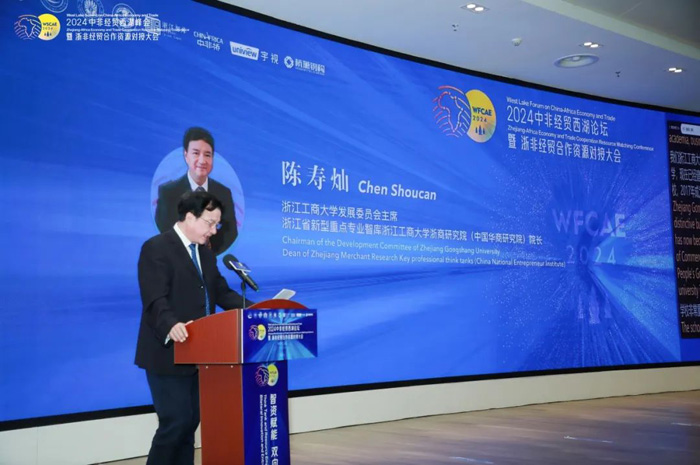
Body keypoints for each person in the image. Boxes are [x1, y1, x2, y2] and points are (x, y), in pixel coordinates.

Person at [135, 190, 246, 465]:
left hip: (198, 352)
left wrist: (256, 310)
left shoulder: (205, 255)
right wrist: (171, 324)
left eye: (217, 224)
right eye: (210, 223)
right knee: (176, 422)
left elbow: (221, 293)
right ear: (189, 216)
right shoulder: (157, 247)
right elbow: (155, 299)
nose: (213, 230)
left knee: (190, 423)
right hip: (167, 352)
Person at [155, 127, 238, 255]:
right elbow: (164, 228)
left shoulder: (224, 193)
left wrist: (207, 253)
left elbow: (230, 231)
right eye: (196, 153)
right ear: (186, 155)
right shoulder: (168, 192)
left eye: (207, 155)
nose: (202, 160)